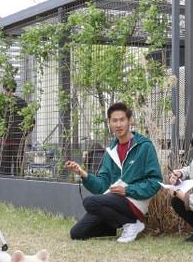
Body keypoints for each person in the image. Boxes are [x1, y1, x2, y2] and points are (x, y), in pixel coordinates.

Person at [64, 102, 163, 243]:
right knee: (77, 233)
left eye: (122, 120)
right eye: (114, 120)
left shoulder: (144, 146)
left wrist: (127, 190)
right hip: (113, 201)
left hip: (134, 201)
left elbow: (155, 181)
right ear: (109, 123)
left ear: (130, 121)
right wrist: (83, 173)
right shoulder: (111, 151)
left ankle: (132, 224)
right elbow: (102, 185)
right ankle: (122, 224)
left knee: (89, 202)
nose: (118, 124)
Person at [0, 82, 29, 176]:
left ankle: (4, 183)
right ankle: (18, 180)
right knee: (18, 165)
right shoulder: (22, 102)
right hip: (19, 138)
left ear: (4, 89)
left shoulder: (3, 103)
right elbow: (31, 120)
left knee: (4, 166)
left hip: (7, 137)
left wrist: (1, 134)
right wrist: (25, 134)